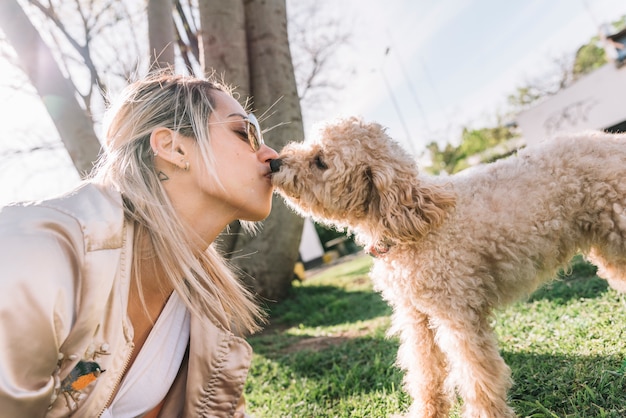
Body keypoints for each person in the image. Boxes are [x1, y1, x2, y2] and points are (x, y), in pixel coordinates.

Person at [0, 72, 280, 417]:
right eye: (245, 132)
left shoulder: (205, 314)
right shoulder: (39, 252)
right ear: (172, 147)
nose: (270, 153)